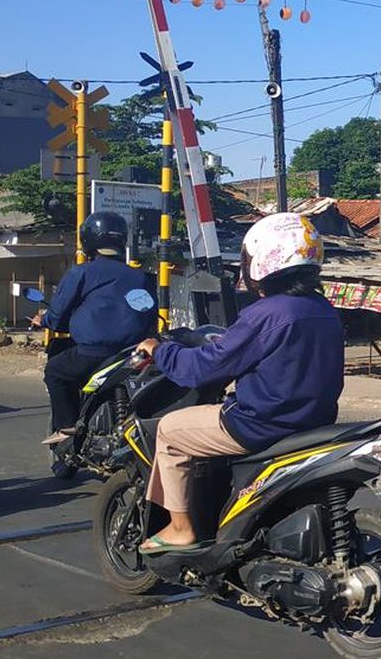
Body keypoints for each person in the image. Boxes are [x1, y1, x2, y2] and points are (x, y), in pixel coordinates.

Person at [133, 212, 345, 554]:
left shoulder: (265, 315)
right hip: (314, 423)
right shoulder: (323, 309)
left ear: (262, 260)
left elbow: (205, 369)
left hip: (260, 425)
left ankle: (181, 528)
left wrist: (162, 352)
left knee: (170, 431)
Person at [36, 211, 156, 445]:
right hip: (136, 352)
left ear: (88, 240)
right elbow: (149, 311)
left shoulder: (81, 272)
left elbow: (58, 314)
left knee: (55, 372)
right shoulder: (140, 277)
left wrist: (45, 320)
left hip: (93, 352)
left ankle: (66, 427)